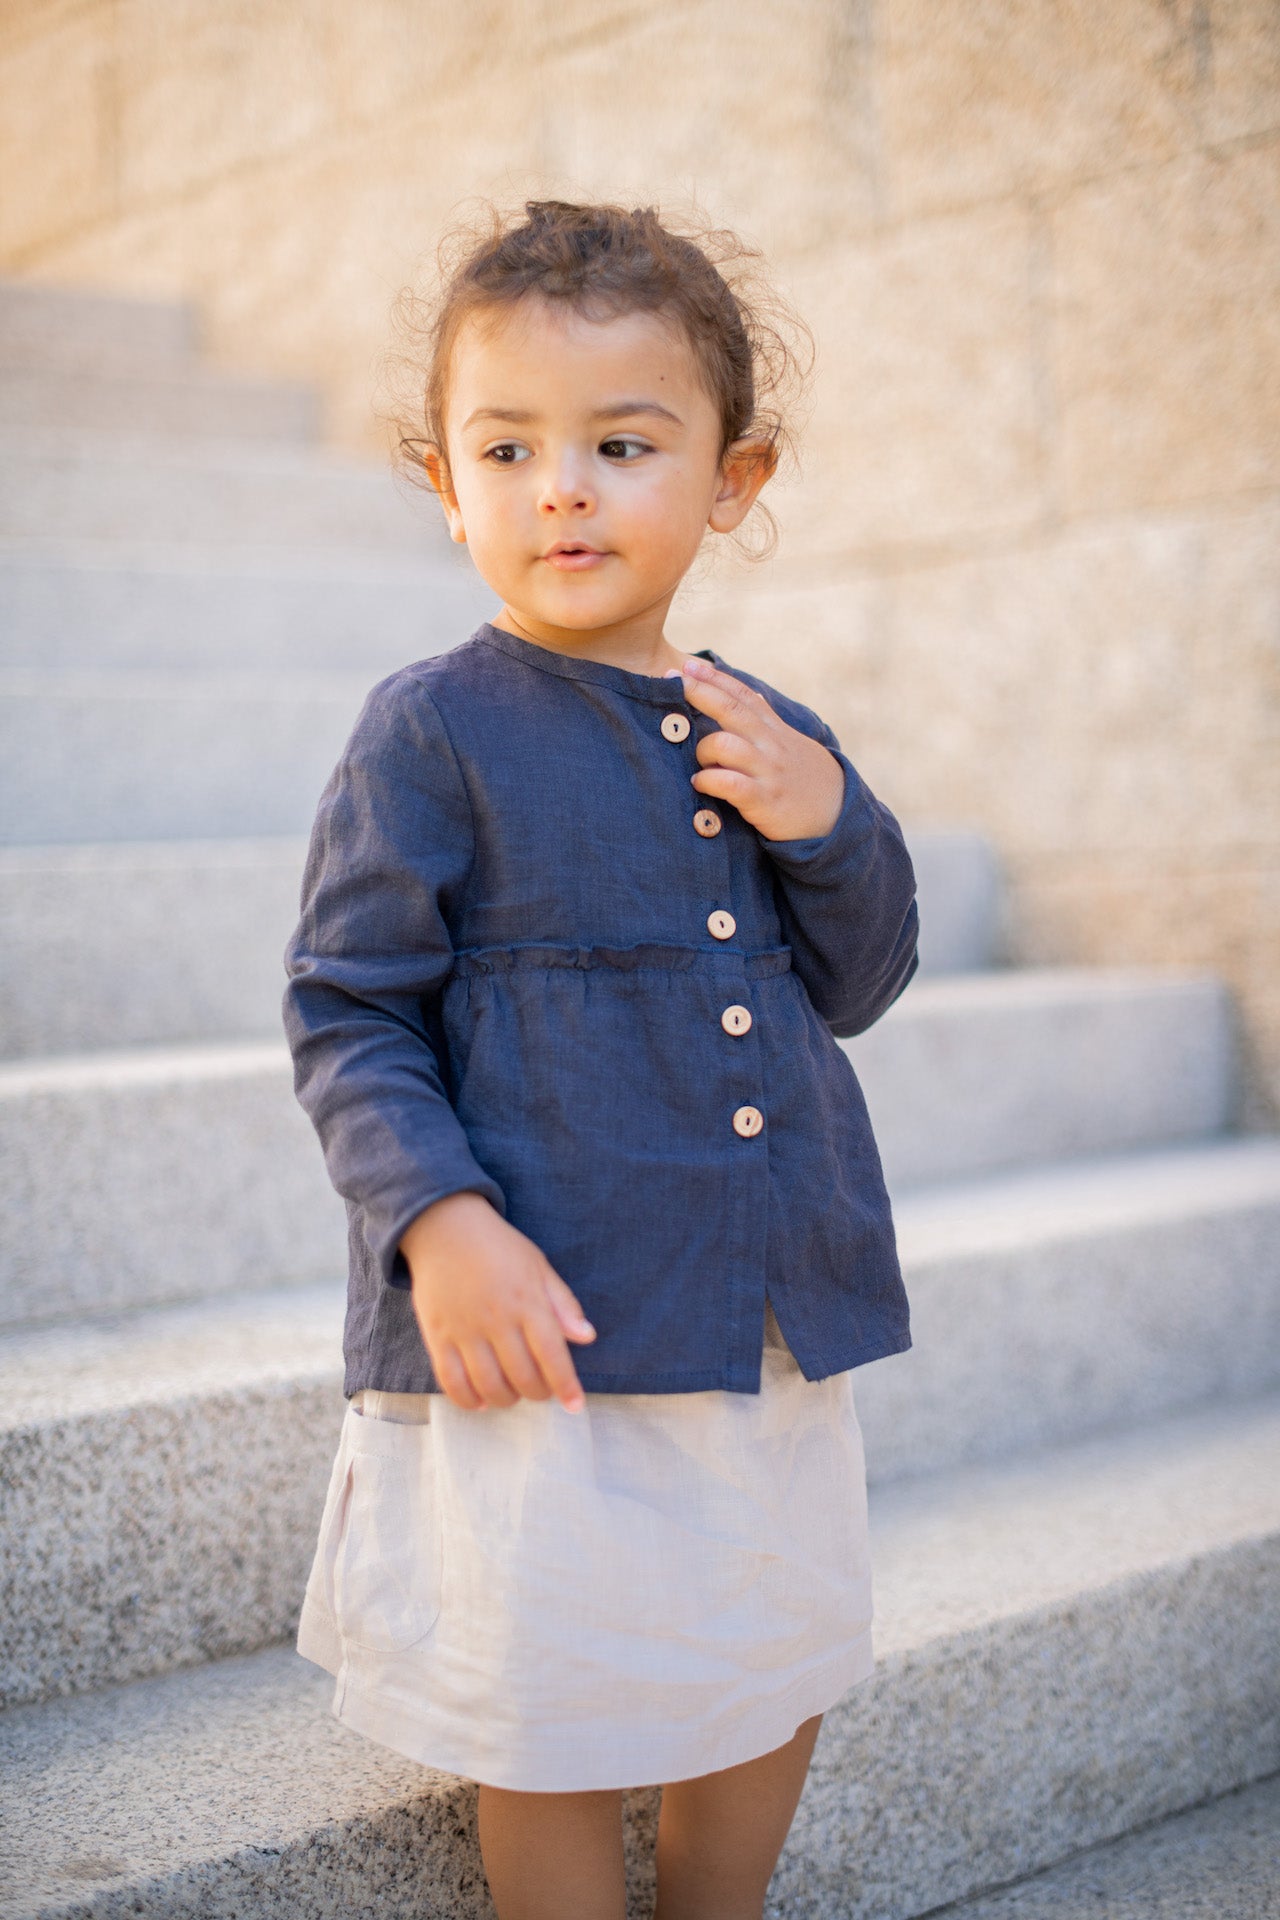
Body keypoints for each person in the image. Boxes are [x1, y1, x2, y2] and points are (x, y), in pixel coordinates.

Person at [283, 198, 920, 1920]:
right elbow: (349, 1005)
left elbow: (860, 980)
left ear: (734, 477)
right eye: (510, 448)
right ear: (448, 484)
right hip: (543, 1324)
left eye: (623, 444)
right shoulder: (433, 728)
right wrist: (441, 1224)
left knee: (767, 1656)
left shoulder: (763, 727)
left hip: (761, 1305)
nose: (562, 486)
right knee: (548, 1709)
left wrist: (829, 818)